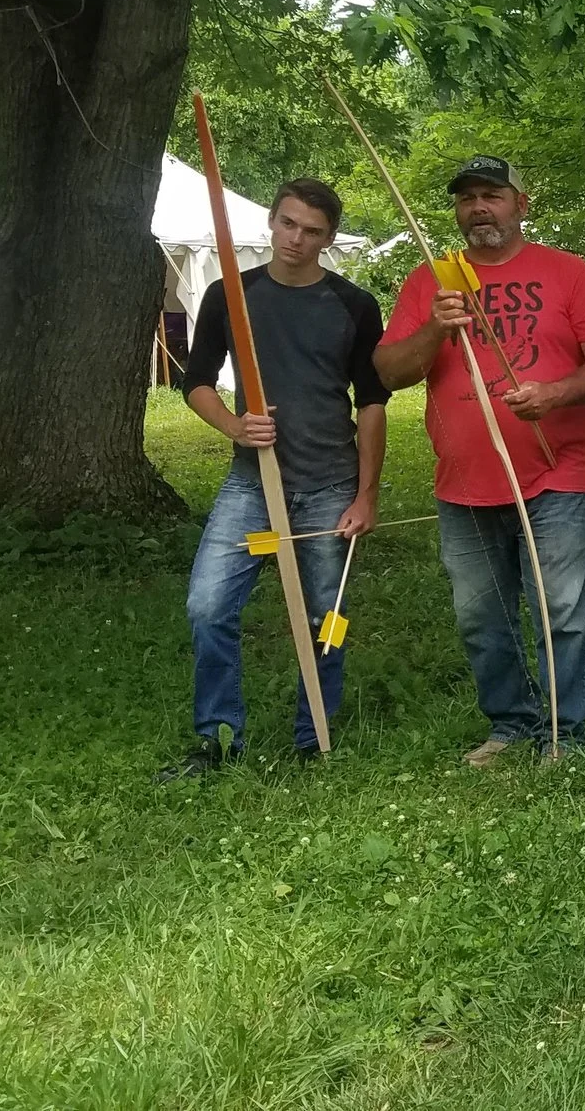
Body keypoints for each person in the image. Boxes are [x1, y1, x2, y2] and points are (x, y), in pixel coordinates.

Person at [378, 155, 585, 765]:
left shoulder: (567, 272)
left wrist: (555, 394)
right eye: (467, 199)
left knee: (561, 609)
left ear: (521, 203)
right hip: (464, 480)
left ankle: (565, 733)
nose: (479, 208)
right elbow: (389, 372)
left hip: (557, 470)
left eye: (492, 195)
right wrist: (435, 328)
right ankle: (511, 723)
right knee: (481, 617)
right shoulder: (431, 280)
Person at [164, 179, 388, 778]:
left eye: (312, 231)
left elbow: (372, 402)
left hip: (330, 485)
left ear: (329, 239)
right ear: (271, 221)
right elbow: (196, 380)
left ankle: (315, 734)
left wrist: (366, 495)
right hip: (252, 484)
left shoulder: (353, 305)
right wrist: (235, 427)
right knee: (208, 605)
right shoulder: (232, 295)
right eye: (288, 224)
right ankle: (218, 739)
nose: (296, 239)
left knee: (325, 619)